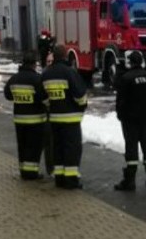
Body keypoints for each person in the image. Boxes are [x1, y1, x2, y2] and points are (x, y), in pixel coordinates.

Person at [41, 43, 88, 189]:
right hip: (71, 118)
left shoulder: (46, 73)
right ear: (65, 55)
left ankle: (59, 178)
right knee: (72, 149)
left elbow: (43, 97)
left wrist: (52, 105)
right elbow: (80, 95)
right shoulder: (70, 72)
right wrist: (82, 106)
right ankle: (71, 180)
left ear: (53, 56)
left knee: (58, 148)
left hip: (54, 118)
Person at [114, 50, 146, 191]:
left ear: (130, 62)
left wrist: (120, 115)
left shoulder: (126, 78)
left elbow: (121, 101)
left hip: (130, 121)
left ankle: (130, 181)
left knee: (131, 149)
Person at [3, 51, 49, 180]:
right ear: (34, 64)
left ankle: (23, 171)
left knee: (22, 146)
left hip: (19, 120)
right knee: (34, 147)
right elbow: (44, 98)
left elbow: (7, 95)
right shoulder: (37, 79)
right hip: (36, 120)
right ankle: (32, 173)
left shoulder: (14, 78)